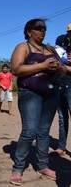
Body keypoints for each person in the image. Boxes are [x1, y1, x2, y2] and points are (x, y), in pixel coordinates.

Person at [9, 18, 68, 185]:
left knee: (43, 132)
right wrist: (42, 66)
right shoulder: (23, 47)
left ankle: (43, 165)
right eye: (39, 28)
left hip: (51, 93)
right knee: (30, 131)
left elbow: (63, 68)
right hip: (30, 94)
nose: (43, 31)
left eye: (44, 29)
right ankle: (18, 167)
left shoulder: (49, 49)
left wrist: (59, 67)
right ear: (29, 31)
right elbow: (16, 69)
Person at [53, 23, 71, 156]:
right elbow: (56, 60)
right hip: (61, 82)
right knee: (62, 117)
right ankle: (61, 146)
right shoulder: (61, 40)